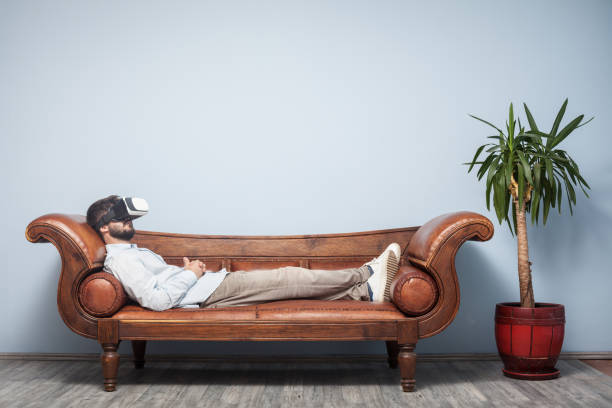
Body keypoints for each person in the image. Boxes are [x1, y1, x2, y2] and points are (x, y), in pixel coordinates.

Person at [86, 195, 400, 312]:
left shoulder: (130, 251)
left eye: (128, 217)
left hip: (207, 285)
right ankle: (367, 274)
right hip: (207, 292)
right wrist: (190, 273)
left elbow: (161, 283)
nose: (128, 221)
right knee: (289, 276)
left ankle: (365, 292)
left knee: (291, 289)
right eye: (120, 218)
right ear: (103, 227)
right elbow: (155, 300)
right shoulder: (121, 260)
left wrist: (187, 271)